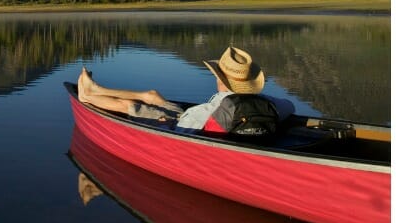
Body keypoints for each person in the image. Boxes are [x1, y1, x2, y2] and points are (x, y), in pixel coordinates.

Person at [77, 46, 294, 131]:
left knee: (130, 106)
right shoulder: (266, 102)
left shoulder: (223, 106)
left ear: (221, 79)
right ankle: (97, 87)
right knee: (152, 96)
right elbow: (289, 107)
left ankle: (87, 94)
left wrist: (168, 122)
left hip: (180, 123)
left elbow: (189, 125)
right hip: (190, 116)